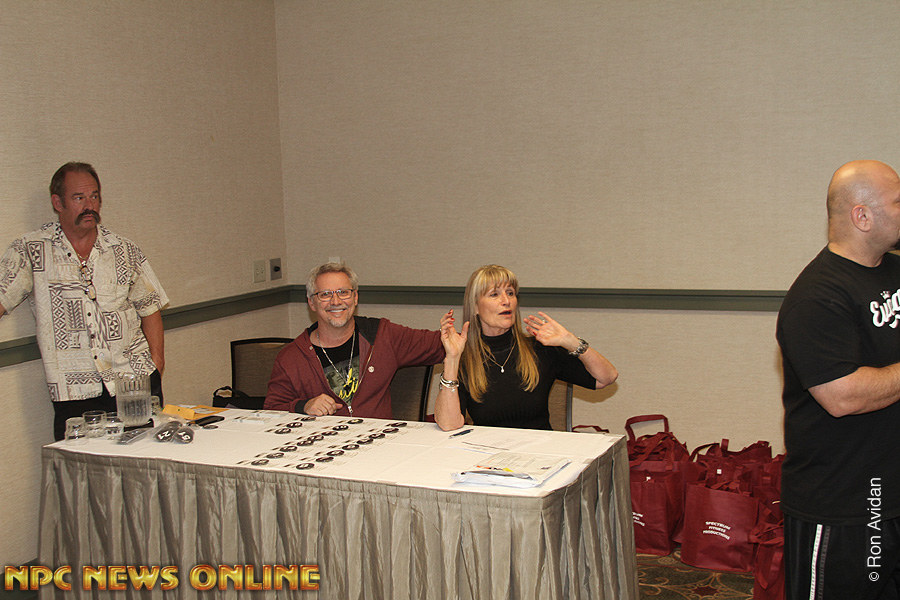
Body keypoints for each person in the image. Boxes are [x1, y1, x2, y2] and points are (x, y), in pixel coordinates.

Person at [776, 160, 900, 599]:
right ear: (862, 216)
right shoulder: (816, 296)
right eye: (898, 202)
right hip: (842, 505)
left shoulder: (894, 271)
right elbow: (843, 396)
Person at [0, 162, 168, 440]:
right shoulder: (31, 250)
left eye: (94, 196)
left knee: (146, 457)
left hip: (134, 381)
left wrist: (157, 365)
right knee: (81, 463)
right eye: (79, 198)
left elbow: (150, 308)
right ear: (58, 203)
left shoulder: (124, 249)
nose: (89, 206)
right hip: (75, 391)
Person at [434, 264, 617, 431]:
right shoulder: (465, 358)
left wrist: (570, 341)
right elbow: (449, 424)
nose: (506, 301)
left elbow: (606, 378)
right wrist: (452, 359)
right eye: (494, 294)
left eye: (510, 293)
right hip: (487, 452)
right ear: (475, 307)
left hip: (540, 451)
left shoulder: (539, 348)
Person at [264, 262, 445, 418]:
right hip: (324, 444)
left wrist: (459, 333)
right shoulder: (292, 357)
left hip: (381, 442)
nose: (336, 301)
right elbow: (271, 411)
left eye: (343, 292)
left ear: (355, 297)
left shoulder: (382, 335)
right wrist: (302, 406)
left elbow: (441, 344)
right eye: (325, 294)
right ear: (312, 303)